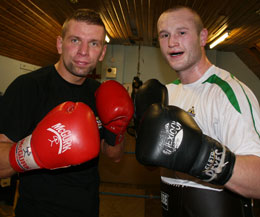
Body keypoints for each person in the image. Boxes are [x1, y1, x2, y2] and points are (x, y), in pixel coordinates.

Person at [0, 9, 133, 217]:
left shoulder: (100, 93)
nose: (83, 51)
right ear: (60, 44)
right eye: (75, 40)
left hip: (87, 209)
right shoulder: (28, 88)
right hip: (37, 211)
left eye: (94, 43)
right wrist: (33, 152)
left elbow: (114, 155)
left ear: (103, 52)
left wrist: (118, 128)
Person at [134, 6, 260, 217]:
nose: (172, 42)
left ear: (202, 37)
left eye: (181, 33)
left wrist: (203, 157)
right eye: (164, 35)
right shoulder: (166, 94)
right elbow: (154, 164)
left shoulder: (228, 92)